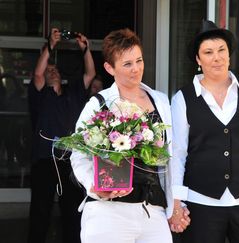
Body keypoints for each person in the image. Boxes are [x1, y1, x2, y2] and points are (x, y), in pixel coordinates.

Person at [70, 28, 190, 243]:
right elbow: (78, 154)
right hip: (108, 212)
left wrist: (176, 203)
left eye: (139, 60)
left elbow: (175, 155)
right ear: (109, 68)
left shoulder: (160, 101)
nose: (136, 69)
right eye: (127, 64)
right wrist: (94, 186)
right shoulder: (99, 103)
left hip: (152, 210)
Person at [170, 20, 239, 243]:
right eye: (209, 52)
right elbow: (177, 154)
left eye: (222, 50)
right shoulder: (182, 99)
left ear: (229, 55)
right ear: (198, 59)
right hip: (201, 203)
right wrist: (176, 203)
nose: (217, 57)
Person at [27, 27, 96, 243]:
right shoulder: (40, 95)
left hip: (71, 161)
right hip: (45, 160)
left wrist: (85, 50)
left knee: (72, 213)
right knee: (40, 212)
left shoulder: (74, 93)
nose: (52, 71)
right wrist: (50, 46)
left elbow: (90, 74)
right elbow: (38, 73)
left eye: (55, 70)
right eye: (49, 70)